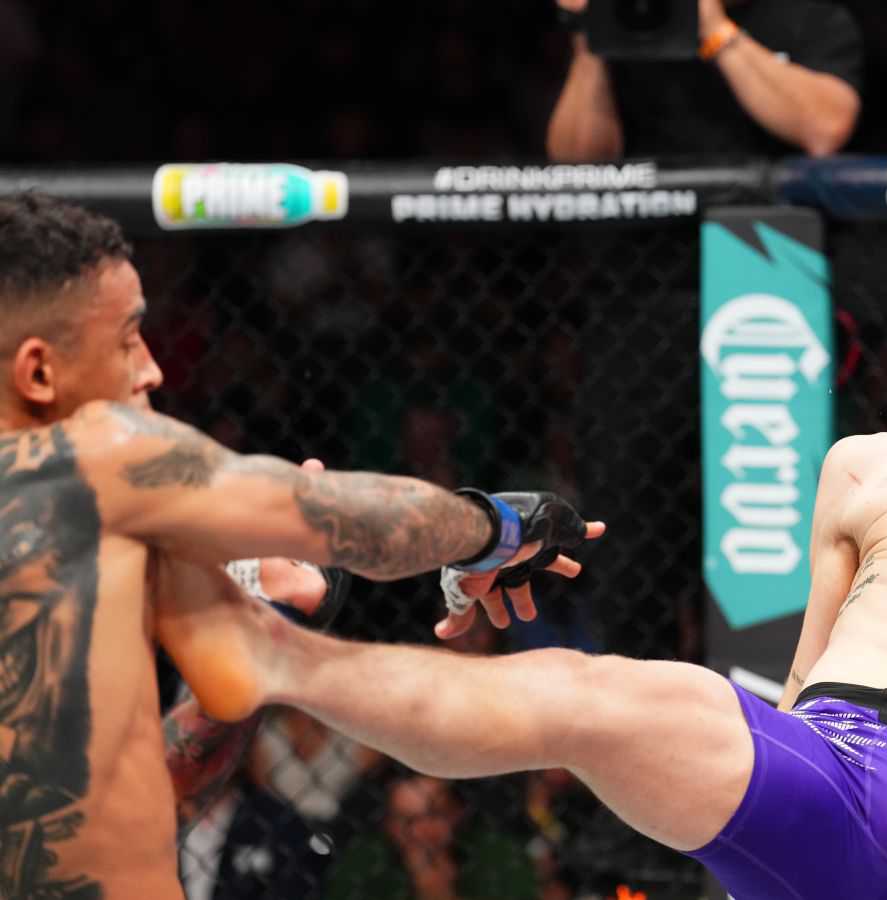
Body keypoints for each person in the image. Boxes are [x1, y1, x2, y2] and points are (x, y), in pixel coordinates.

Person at [161, 209, 887, 900]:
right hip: (826, 767)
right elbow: (806, 684)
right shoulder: (868, 465)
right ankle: (269, 652)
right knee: (596, 694)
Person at [0, 191, 597, 900]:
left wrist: (269, 618)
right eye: (127, 338)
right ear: (39, 372)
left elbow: (155, 794)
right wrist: (497, 527)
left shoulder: (81, 549)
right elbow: (350, 517)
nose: (152, 369)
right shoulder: (92, 459)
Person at [545, 0, 863, 161]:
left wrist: (716, 30)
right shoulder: (635, 17)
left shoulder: (811, 18)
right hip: (651, 241)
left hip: (776, 236)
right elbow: (576, 163)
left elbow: (825, 129)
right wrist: (592, 32)